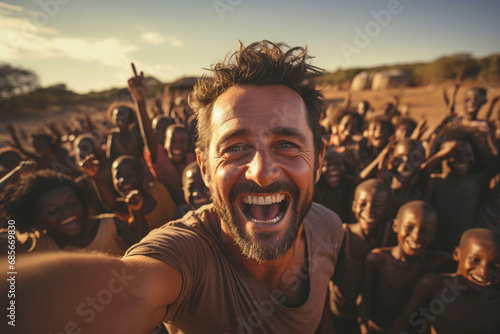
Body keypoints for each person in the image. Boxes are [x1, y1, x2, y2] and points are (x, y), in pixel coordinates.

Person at [1, 41, 343, 334]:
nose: (262, 173)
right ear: (205, 169)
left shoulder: (328, 228)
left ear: (319, 158)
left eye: (286, 144)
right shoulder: (184, 256)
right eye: (235, 147)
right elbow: (126, 293)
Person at [359, 201, 451, 333]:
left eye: (425, 231)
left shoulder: (435, 261)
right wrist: (363, 326)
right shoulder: (378, 259)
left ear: (434, 235)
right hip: (375, 327)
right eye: (409, 228)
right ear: (396, 226)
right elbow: (365, 296)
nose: (416, 236)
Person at [390, 228, 500, 334]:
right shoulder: (434, 284)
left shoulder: (495, 303)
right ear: (457, 254)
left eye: (495, 266)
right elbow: (405, 319)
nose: (484, 271)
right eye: (475, 260)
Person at [0, 170, 134, 256]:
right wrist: (15, 173)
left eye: (72, 203)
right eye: (52, 210)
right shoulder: (36, 244)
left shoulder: (112, 225)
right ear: (36, 221)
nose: (67, 211)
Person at [329, 179, 390, 333]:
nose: (369, 210)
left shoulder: (389, 236)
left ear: (387, 209)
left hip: (372, 319)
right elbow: (322, 281)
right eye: (363, 204)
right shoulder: (342, 235)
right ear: (354, 206)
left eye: (377, 205)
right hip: (339, 315)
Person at [314, 147, 357, 223]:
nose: (333, 167)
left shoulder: (348, 182)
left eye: (338, 164)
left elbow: (360, 178)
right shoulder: (316, 185)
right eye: (328, 164)